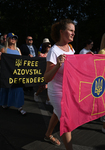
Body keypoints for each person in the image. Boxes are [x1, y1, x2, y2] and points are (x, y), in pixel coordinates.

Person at [44, 19, 75, 150]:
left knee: (57, 113)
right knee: (66, 120)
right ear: (62, 32)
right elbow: (46, 78)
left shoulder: (71, 48)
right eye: (71, 30)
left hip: (68, 90)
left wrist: (88, 58)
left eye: (74, 31)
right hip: (56, 92)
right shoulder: (54, 51)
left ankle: (47, 135)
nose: (73, 33)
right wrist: (58, 65)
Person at [0, 33, 26, 115]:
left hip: (16, 73)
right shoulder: (4, 50)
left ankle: (20, 107)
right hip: (7, 73)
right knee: (6, 88)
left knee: (18, 89)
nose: (13, 39)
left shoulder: (18, 50)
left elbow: (21, 61)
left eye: (15, 38)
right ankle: (5, 102)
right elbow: (0, 63)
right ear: (7, 39)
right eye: (11, 38)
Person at [34, 38, 51, 105]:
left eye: (50, 46)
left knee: (48, 87)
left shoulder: (50, 54)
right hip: (43, 72)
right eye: (48, 46)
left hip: (49, 72)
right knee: (43, 87)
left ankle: (48, 100)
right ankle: (36, 94)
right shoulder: (41, 54)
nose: (50, 48)